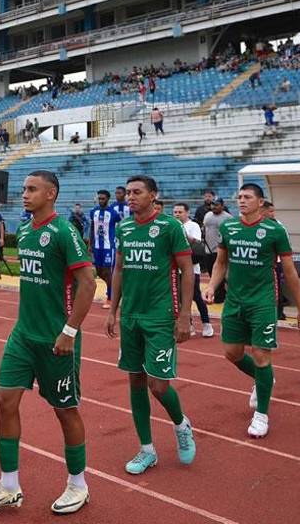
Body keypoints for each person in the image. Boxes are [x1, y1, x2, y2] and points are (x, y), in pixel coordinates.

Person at [0, 171, 96, 515]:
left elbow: (88, 282)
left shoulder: (64, 232)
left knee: (65, 410)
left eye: (31, 189)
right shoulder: (25, 231)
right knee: (3, 400)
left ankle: (78, 485)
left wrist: (69, 331)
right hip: (23, 335)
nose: (24, 195)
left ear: (51, 194)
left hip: (57, 338)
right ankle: (9, 486)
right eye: (24, 189)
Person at [106, 175, 196, 475]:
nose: (130, 197)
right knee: (135, 380)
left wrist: (185, 314)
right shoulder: (124, 227)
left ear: (153, 195)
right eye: (128, 192)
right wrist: (113, 309)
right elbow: (119, 268)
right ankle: (147, 449)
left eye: (137, 192)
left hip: (160, 316)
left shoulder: (170, 227)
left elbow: (186, 270)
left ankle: (181, 423)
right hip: (131, 315)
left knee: (158, 386)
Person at [206, 183, 300, 438]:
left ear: (260, 202)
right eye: (239, 197)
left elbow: (289, 271)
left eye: (247, 197)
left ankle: (261, 414)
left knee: (262, 355)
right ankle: (264, 379)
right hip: (234, 301)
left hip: (263, 302)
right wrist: (211, 286)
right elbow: (221, 262)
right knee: (232, 352)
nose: (241, 200)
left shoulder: (274, 231)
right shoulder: (228, 227)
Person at [173, 203, 212, 338]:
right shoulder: (173, 225)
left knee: (195, 296)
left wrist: (181, 233)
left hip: (192, 268)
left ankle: (206, 323)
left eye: (180, 212)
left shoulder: (193, 226)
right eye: (175, 212)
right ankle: (188, 324)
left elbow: (196, 243)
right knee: (179, 297)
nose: (177, 214)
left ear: (187, 213)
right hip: (176, 269)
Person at [89, 190, 118, 307]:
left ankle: (110, 297)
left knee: (107, 271)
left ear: (108, 199)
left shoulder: (113, 213)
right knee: (99, 271)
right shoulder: (93, 212)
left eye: (103, 198)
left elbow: (119, 225)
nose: (101, 200)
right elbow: (92, 227)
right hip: (96, 246)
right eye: (99, 198)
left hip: (108, 247)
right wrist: (90, 244)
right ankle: (115, 288)